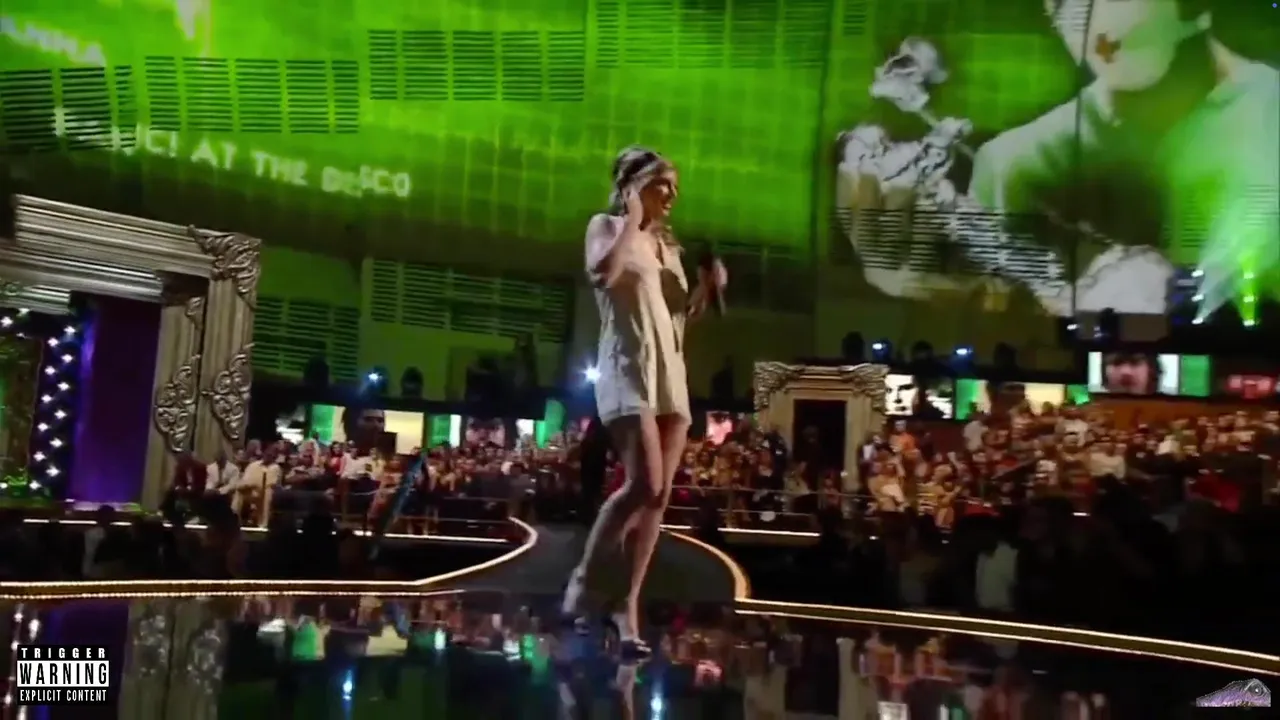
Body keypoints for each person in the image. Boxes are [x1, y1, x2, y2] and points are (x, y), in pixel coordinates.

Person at [560, 146, 727, 655]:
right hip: (626, 366)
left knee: (660, 496)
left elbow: (676, 319)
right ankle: (585, 580)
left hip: (669, 372)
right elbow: (601, 274)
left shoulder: (669, 248)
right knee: (645, 483)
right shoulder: (607, 228)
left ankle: (626, 603)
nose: (672, 194)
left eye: (675, 186)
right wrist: (632, 220)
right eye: (662, 183)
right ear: (633, 185)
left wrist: (706, 292)